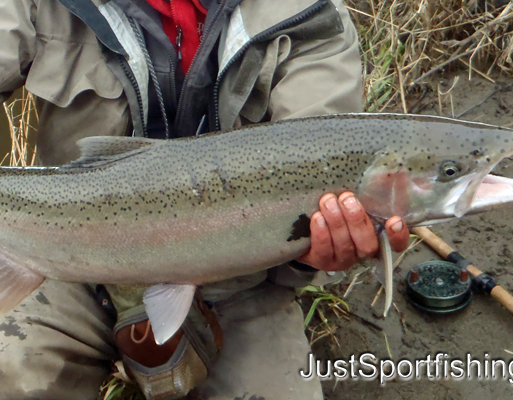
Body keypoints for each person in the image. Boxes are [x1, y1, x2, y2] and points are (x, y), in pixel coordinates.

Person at [0, 0, 409, 399]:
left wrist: (317, 246)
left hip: (236, 281)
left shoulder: (307, 12)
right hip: (59, 258)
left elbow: (321, 161)